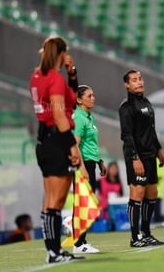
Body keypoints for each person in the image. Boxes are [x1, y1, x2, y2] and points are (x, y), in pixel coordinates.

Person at [29, 36, 83, 263]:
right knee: (57, 199)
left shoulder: (37, 76)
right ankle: (54, 252)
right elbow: (61, 114)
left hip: (44, 139)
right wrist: (72, 145)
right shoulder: (54, 79)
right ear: (61, 53)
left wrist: (72, 74)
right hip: (57, 139)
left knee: (50, 198)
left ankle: (53, 251)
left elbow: (70, 101)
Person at [119, 69, 164, 247]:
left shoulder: (146, 103)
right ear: (127, 85)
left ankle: (146, 233)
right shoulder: (126, 107)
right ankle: (134, 237)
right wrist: (134, 158)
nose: (139, 82)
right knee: (137, 194)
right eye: (134, 80)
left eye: (140, 79)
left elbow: (151, 130)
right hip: (136, 156)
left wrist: (159, 149)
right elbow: (127, 136)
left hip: (150, 154)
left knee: (152, 193)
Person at [72, 84, 106, 253]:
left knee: (87, 203)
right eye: (89, 96)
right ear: (79, 100)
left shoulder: (89, 116)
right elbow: (75, 144)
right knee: (83, 203)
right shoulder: (78, 117)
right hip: (83, 163)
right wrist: (82, 167)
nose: (93, 98)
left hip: (91, 162)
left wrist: (99, 161)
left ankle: (80, 240)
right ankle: (79, 244)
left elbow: (90, 143)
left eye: (93, 95)